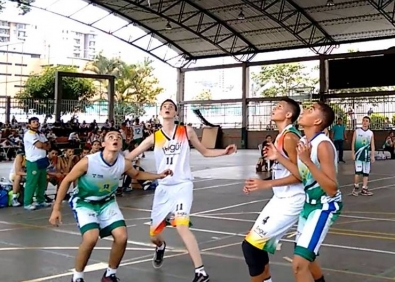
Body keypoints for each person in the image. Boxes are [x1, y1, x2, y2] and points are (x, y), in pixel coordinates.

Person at [126, 99, 237, 282]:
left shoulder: (186, 131)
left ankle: (200, 272)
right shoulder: (154, 137)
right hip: (163, 188)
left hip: (183, 185)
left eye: (171, 107)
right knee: (154, 235)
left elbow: (205, 152)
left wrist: (224, 152)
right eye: (164, 107)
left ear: (176, 113)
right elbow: (130, 156)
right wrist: (107, 162)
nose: (168, 108)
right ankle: (160, 247)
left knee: (182, 226)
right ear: (160, 113)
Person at [49, 130, 172, 282]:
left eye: (118, 138)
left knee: (122, 237)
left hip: (107, 201)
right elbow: (67, 180)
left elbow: (137, 175)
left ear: (121, 144)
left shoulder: (124, 163)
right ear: (103, 144)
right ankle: (77, 277)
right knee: (91, 238)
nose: (115, 139)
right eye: (111, 137)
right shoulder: (89, 161)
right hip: (84, 202)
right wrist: (56, 208)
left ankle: (110, 275)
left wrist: (159, 175)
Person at [266, 101, 340, 282]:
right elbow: (299, 173)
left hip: (325, 206)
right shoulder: (304, 142)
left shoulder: (323, 145)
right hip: (309, 205)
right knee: (306, 256)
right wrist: (278, 157)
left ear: (318, 121)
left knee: (299, 264)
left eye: (311, 109)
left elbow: (331, 188)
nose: (305, 110)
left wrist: (307, 160)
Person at [241, 98, 305, 282]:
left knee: (251, 247)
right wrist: (260, 181)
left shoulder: (291, 137)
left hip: (293, 199)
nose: (274, 108)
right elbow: (284, 171)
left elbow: (301, 175)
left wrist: (265, 184)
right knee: (255, 247)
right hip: (280, 198)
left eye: (279, 107)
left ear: (288, 114)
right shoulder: (280, 136)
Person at [23, 116, 51, 210]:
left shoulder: (41, 134)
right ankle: (27, 202)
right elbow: (39, 145)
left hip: (42, 160)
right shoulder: (29, 134)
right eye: (33, 122)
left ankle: (40, 200)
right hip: (33, 161)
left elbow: (48, 145)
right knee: (32, 182)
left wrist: (44, 145)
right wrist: (43, 145)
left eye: (37, 121)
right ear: (29, 124)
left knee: (42, 182)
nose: (36, 123)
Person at [351, 116, 375, 196]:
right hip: (358, 155)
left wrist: (372, 155)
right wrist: (353, 153)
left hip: (366, 155)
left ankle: (364, 188)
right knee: (358, 172)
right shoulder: (357, 131)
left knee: (366, 172)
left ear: (369, 123)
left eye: (367, 121)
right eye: (364, 121)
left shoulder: (370, 133)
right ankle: (356, 187)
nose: (365, 122)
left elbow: (372, 145)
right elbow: (353, 143)